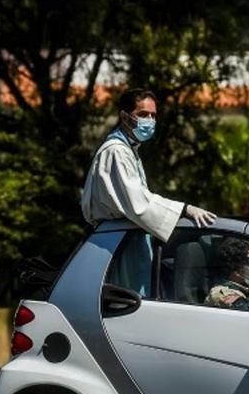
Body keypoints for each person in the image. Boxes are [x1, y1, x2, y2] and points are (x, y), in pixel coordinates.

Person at [82, 89, 216, 295]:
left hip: (127, 239)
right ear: (124, 117)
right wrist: (185, 210)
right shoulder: (116, 151)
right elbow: (139, 203)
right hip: (119, 243)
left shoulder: (129, 150)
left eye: (153, 115)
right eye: (143, 114)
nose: (150, 121)